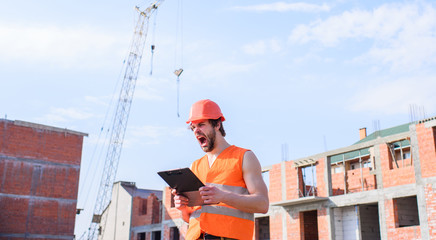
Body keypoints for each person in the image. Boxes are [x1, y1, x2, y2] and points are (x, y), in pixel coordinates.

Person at [173, 99, 269, 240]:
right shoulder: (195, 166)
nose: (196, 131)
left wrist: (223, 196)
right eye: (193, 127)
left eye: (201, 125)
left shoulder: (244, 157)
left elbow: (262, 204)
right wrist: (182, 208)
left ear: (217, 124)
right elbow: (190, 217)